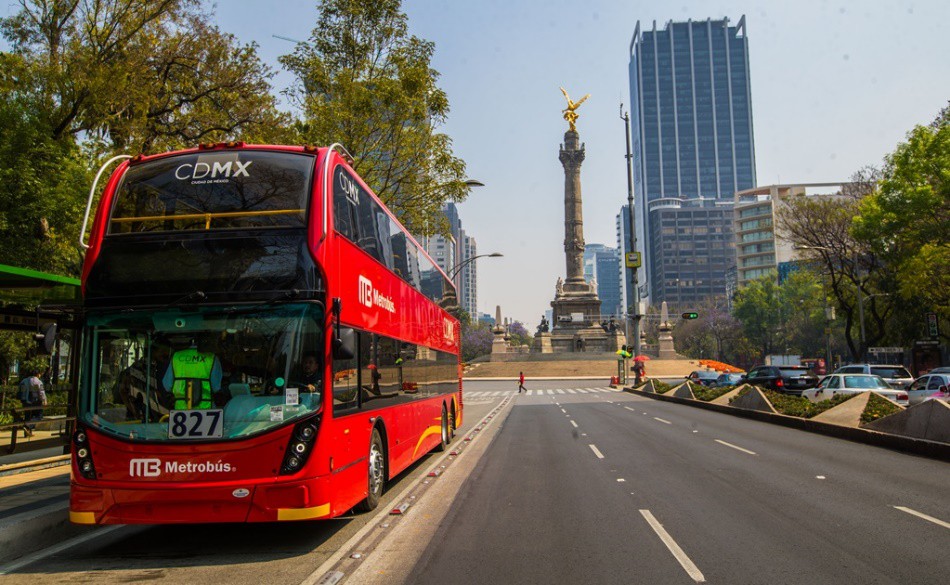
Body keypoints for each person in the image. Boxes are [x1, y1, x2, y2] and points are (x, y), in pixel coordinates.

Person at [162, 337, 222, 410]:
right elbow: (216, 387)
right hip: (206, 409)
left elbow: (167, 385)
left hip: (180, 411)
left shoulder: (176, 357)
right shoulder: (211, 358)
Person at [18, 370, 46, 437]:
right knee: (39, 416)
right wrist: (44, 400)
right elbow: (41, 392)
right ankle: (27, 426)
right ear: (38, 374)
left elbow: (20, 390)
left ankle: (27, 433)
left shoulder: (24, 381)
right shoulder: (39, 382)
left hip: (25, 401)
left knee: (27, 416)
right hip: (35, 401)